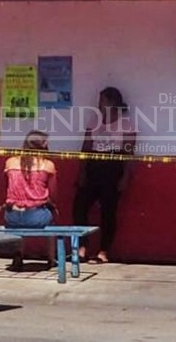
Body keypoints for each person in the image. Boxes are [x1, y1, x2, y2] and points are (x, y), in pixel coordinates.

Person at [74, 86, 136, 264]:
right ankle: (83, 247)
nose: (99, 105)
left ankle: (103, 251)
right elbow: (86, 147)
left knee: (108, 212)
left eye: (102, 101)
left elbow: (129, 152)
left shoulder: (127, 124)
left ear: (112, 103)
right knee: (79, 207)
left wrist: (125, 176)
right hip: (94, 166)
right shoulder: (94, 121)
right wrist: (82, 171)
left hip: (113, 167)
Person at [0, 130, 58, 270]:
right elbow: (53, 194)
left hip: (12, 216)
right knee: (52, 219)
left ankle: (18, 255)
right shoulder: (48, 165)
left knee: (18, 227)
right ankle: (52, 259)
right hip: (36, 217)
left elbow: (6, 187)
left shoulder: (10, 162)